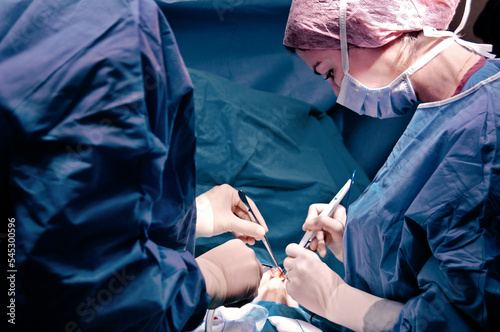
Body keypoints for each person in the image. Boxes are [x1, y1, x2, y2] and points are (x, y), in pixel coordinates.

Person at [0, 0, 265, 330]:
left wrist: (188, 217)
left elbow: (37, 201)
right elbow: (79, 293)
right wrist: (206, 281)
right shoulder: (110, 33)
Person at [281, 0, 500, 331]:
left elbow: (466, 319)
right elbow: (430, 234)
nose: (338, 93)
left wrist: (334, 298)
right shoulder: (446, 105)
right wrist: (357, 245)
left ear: (370, 28)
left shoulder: (485, 134)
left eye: (329, 71)